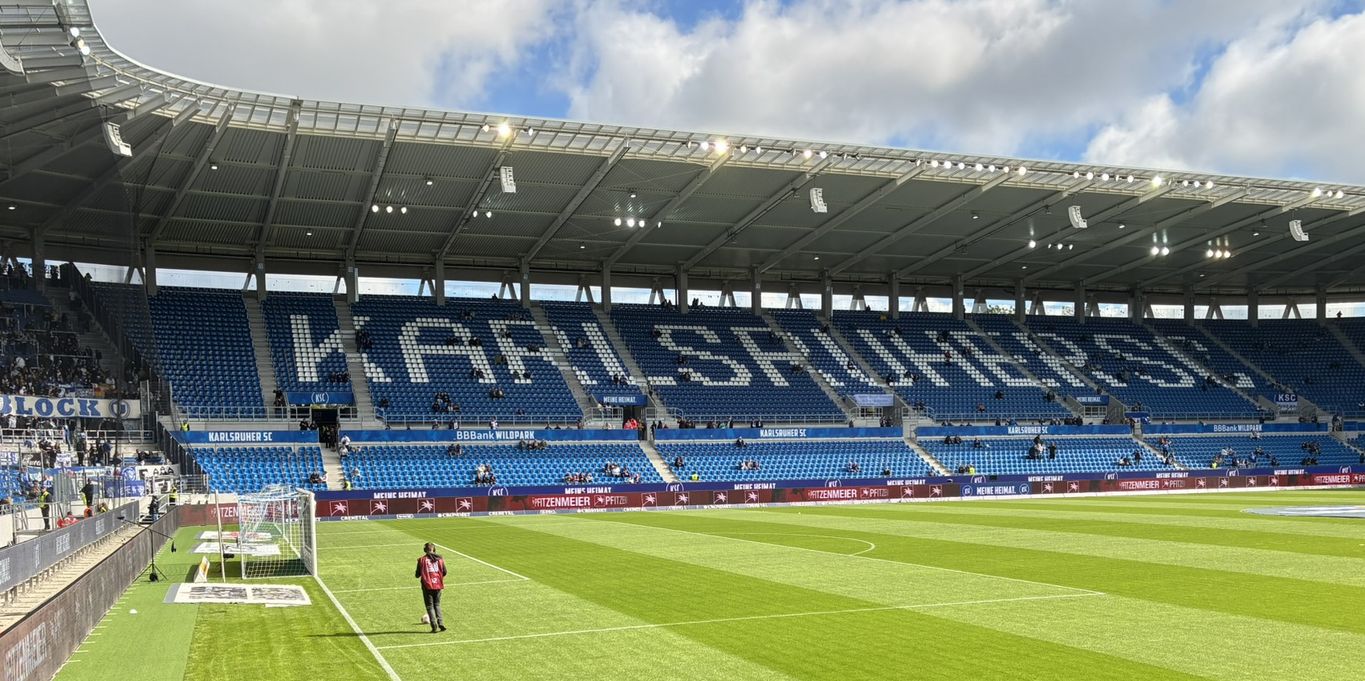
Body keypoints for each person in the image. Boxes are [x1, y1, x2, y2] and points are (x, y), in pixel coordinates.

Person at [416, 542, 448, 633]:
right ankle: (441, 623)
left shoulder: (422, 560)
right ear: (434, 549)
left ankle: (434, 625)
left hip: (427, 585)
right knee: (437, 605)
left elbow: (417, 574)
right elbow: (445, 572)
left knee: (430, 606)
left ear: (425, 550)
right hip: (438, 585)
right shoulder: (440, 559)